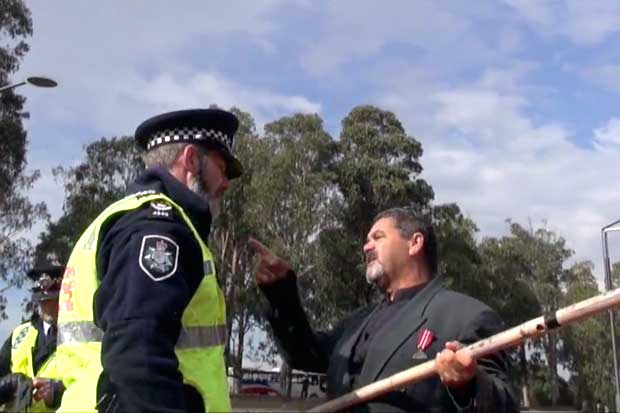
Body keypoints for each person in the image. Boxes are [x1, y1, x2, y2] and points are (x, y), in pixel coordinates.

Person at [53, 108, 243, 413]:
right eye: (221, 167)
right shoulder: (158, 227)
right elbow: (137, 356)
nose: (226, 183)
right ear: (191, 160)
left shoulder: (125, 218)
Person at [251, 207, 519, 412]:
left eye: (377, 236)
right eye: (367, 239)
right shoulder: (357, 322)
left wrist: (470, 383)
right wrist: (281, 293)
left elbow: (505, 404)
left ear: (415, 243)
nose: (366, 245)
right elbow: (305, 355)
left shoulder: (466, 316)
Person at [0, 266, 65, 411]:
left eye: (54, 300)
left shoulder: (79, 333)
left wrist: (59, 392)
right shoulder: (19, 334)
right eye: (44, 302)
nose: (49, 307)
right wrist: (8, 385)